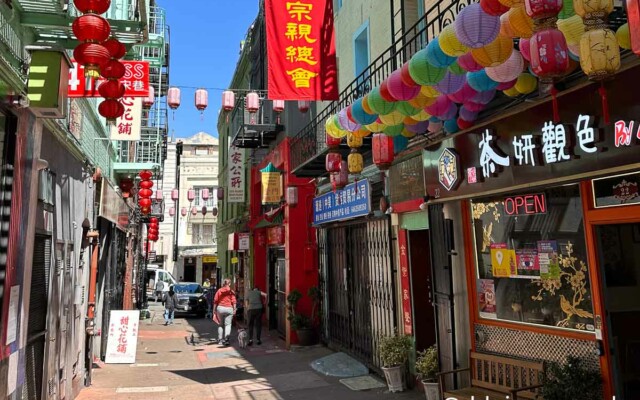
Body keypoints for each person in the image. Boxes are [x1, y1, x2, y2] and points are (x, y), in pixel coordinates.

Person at [213, 278, 236, 346]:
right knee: (228, 325)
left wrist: (214, 310)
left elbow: (215, 301)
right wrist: (234, 309)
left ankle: (220, 340)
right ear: (229, 284)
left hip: (220, 308)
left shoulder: (219, 291)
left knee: (220, 324)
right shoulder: (231, 292)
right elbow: (234, 301)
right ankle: (226, 340)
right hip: (229, 308)